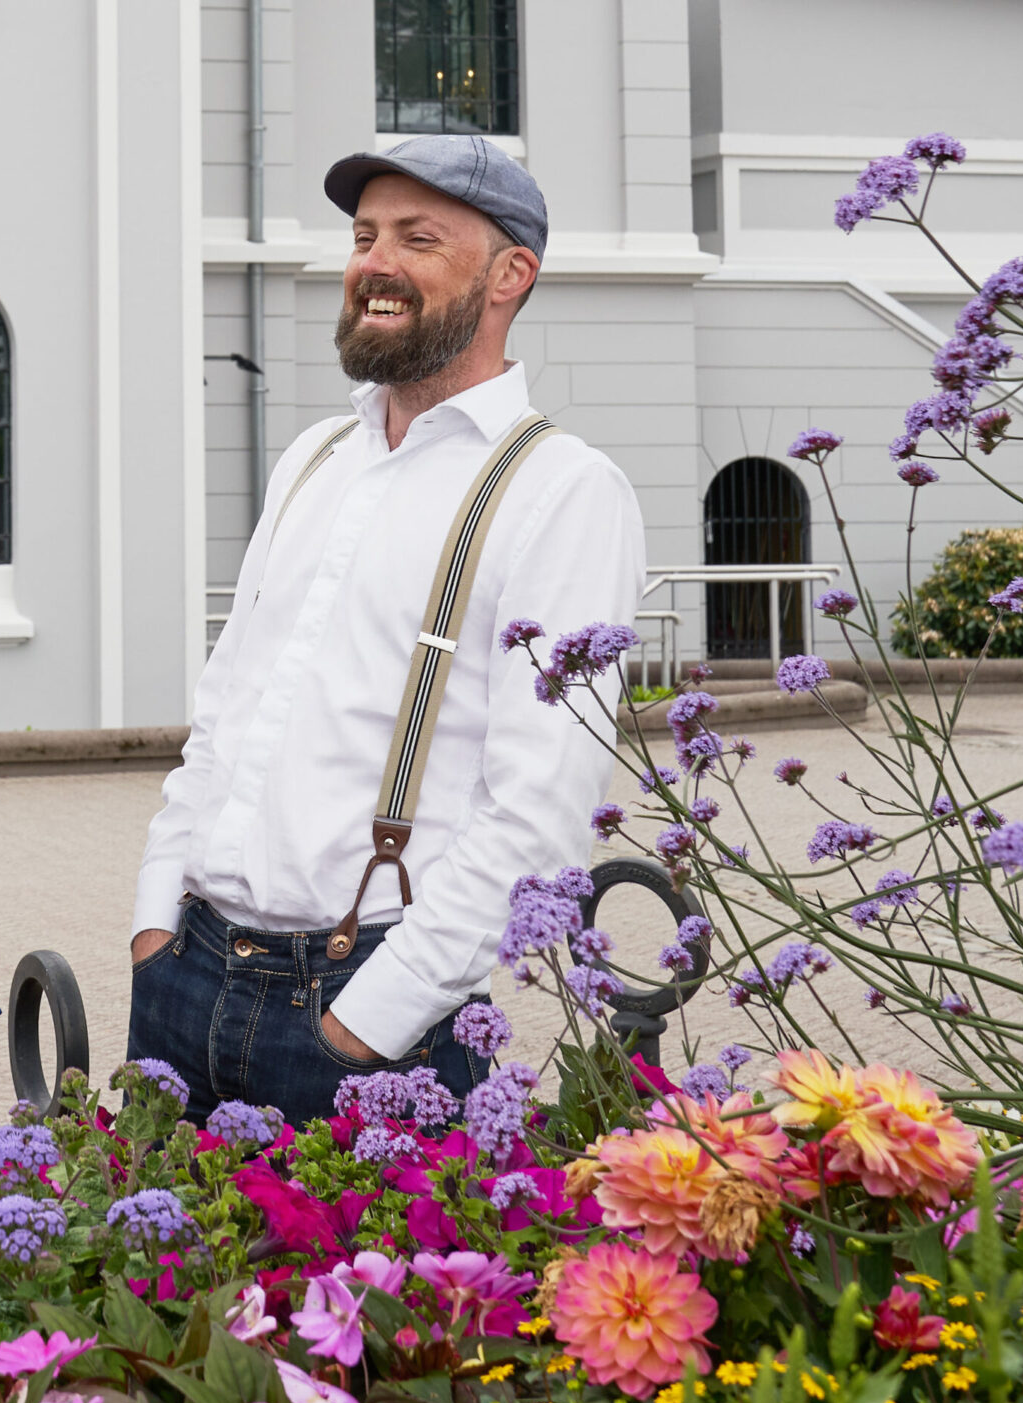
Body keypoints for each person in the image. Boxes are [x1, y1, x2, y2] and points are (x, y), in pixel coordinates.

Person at [128, 135, 644, 1127]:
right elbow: (229, 702)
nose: (375, 262)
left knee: (381, 1290)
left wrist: (374, 1015)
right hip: (184, 977)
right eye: (365, 235)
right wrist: (158, 910)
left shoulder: (564, 489)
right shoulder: (316, 455)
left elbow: (539, 809)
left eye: (419, 238)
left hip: (364, 1014)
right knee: (164, 1283)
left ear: (510, 275)